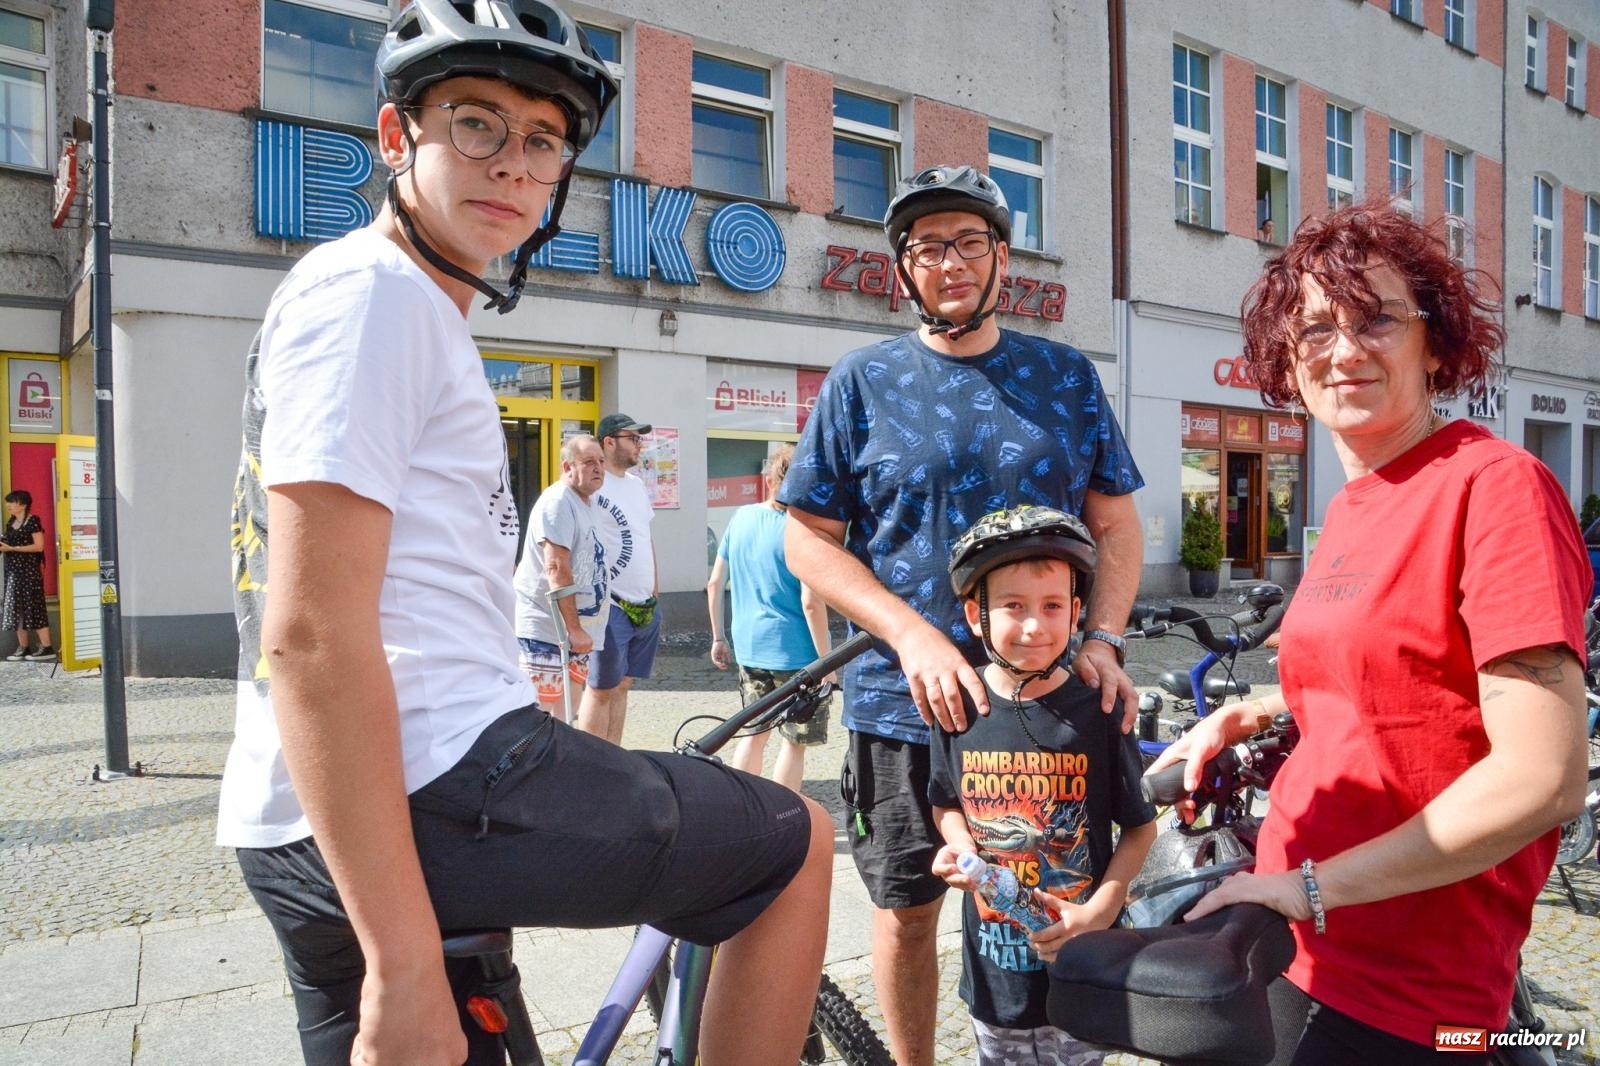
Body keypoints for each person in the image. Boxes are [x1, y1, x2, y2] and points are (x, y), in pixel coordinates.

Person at [217, 4, 832, 1064]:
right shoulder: (376, 297)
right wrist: (404, 966)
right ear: (394, 135)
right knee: (792, 842)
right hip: (438, 777)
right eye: (475, 122)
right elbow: (309, 631)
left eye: (540, 139)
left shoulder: (387, 303)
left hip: (323, 813)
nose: (510, 161)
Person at [1154, 201, 1589, 1064]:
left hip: (1411, 986)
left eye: (1377, 318)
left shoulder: (1493, 486)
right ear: (1285, 359)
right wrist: (1252, 712)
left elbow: (1544, 778)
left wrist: (1307, 888)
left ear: (1437, 343)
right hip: (1297, 940)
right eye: (1313, 328)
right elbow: (1402, 677)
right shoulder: (1356, 502)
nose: (1343, 350)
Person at [780, 163, 1145, 1066]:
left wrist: (1102, 638)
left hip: (1049, 705)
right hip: (903, 708)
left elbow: (1116, 522)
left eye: (969, 241)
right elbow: (806, 540)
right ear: (902, 266)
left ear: (1001, 256)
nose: (950, 262)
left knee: (1054, 904)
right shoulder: (862, 382)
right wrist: (909, 634)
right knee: (907, 914)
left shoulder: (1062, 375)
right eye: (928, 245)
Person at [929, 506, 1156, 1066]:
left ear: (1077, 612)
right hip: (994, 975)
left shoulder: (1099, 708)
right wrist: (957, 848)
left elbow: (1140, 829)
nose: (1035, 626)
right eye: (1013, 606)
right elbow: (946, 803)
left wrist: (1101, 910)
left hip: (1081, 963)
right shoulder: (957, 707)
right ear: (974, 614)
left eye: (1053, 606)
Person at [707, 444, 835, 791]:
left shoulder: (741, 518)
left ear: (768, 481)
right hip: (797, 656)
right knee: (793, 742)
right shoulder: (802, 531)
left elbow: (715, 582)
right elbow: (811, 603)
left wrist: (719, 636)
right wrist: (829, 662)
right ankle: (784, 815)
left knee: (753, 732)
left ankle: (743, 807)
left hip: (750, 648)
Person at [513, 433, 609, 720]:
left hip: (573, 634)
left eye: (601, 461)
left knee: (566, 719)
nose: (598, 468)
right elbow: (556, 567)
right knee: (541, 720)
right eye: (589, 462)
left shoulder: (587, 502)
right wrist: (574, 629)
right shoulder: (558, 503)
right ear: (567, 467)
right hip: (549, 632)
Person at [580, 411, 661, 743]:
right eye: (633, 438)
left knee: (624, 683)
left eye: (640, 439)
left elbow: (645, 536)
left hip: (644, 602)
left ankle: (613, 755)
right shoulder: (593, 487)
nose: (640, 445)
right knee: (600, 687)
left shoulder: (637, 485)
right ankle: (589, 763)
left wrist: (656, 588)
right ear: (609, 442)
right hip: (609, 603)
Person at [1, 489, 53, 661]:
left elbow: (39, 546)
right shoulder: (11, 522)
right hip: (13, 572)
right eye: (8, 502)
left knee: (34, 606)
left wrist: (13, 549)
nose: (8, 505)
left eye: (12, 502)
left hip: (29, 571)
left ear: (22, 504)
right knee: (16, 608)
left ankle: (46, 647)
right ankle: (23, 647)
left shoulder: (33, 521)